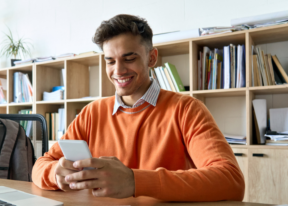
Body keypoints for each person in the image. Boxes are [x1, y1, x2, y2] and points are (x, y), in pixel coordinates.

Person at [32, 14, 245, 202]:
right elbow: (41, 165)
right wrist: (54, 174)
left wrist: (135, 181)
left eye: (129, 58)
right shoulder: (91, 113)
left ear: (151, 58)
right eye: (110, 61)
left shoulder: (187, 109)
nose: (118, 70)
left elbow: (231, 180)